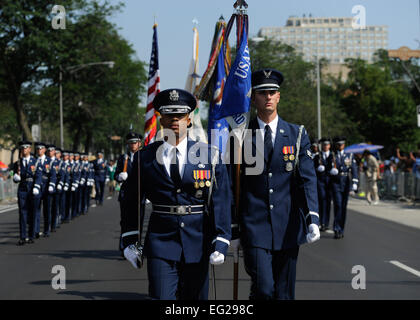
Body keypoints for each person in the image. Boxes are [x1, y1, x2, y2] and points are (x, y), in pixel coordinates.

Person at [121, 88, 232, 300]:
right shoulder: (145, 158)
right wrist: (129, 240)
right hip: (161, 240)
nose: (175, 120)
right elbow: (131, 201)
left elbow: (221, 200)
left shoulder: (209, 155)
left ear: (189, 119)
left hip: (198, 241)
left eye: (180, 115)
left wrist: (222, 239)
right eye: (169, 115)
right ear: (161, 120)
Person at [234, 69, 320, 300]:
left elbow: (307, 179)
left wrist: (313, 217)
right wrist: (230, 228)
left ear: (279, 96)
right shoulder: (240, 136)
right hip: (254, 225)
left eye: (273, 92)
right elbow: (232, 186)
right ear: (254, 98)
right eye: (263, 93)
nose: (268, 97)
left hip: (288, 225)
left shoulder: (297, 134)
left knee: (284, 293)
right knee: (264, 288)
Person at [115, 132, 142, 255]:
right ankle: (125, 247)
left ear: (139, 143)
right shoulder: (123, 158)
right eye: (130, 143)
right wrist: (119, 177)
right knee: (125, 221)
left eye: (135, 142)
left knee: (138, 222)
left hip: (139, 194)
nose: (132, 145)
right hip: (126, 194)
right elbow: (116, 174)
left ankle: (137, 246)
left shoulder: (143, 157)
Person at [12, 141, 42, 245]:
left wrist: (37, 186)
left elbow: (38, 176)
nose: (24, 150)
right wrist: (15, 178)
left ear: (29, 149)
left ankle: (31, 235)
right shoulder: (18, 163)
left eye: (26, 148)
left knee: (32, 212)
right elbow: (15, 176)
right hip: (22, 189)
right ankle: (23, 237)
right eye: (22, 148)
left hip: (32, 189)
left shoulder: (36, 162)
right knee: (22, 213)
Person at [330, 137, 358, 239]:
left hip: (346, 182)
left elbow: (354, 169)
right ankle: (336, 229)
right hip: (336, 183)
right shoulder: (332, 155)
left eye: (342, 144)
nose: (341, 146)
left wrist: (355, 182)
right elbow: (327, 167)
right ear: (336, 145)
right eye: (339, 144)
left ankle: (341, 229)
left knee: (343, 207)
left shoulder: (349, 155)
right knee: (338, 205)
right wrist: (331, 171)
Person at [314, 138, 334, 231]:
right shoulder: (318, 156)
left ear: (329, 145)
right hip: (320, 181)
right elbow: (313, 168)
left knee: (328, 202)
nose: (325, 146)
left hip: (330, 182)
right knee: (322, 201)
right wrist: (317, 168)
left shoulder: (333, 156)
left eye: (327, 145)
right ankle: (321, 222)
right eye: (324, 145)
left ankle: (326, 223)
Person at [32, 142, 49, 238]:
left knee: (46, 210)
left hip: (46, 187)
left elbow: (52, 175)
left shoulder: (49, 161)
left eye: (41, 149)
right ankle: (36, 230)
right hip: (37, 187)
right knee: (36, 209)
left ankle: (46, 230)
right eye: (38, 149)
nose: (39, 150)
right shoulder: (34, 161)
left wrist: (52, 185)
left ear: (44, 150)